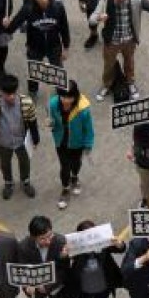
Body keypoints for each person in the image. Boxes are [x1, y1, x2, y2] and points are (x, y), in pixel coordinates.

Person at [91, 0, 149, 101]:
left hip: (129, 40)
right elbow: (92, 19)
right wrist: (99, 18)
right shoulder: (105, 1)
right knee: (109, 65)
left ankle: (130, 82)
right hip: (112, 41)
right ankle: (106, 85)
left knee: (129, 63)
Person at [0, 74, 40, 200]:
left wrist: (35, 139)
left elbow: (32, 121)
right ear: (1, 92)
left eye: (13, 93)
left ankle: (25, 182)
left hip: (22, 141)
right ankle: (8, 183)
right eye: (7, 94)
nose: (11, 96)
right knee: (5, 164)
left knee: (25, 162)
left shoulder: (26, 102)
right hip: (3, 143)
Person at [8, 0, 71, 100]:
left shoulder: (58, 7)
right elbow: (13, 26)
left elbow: (64, 28)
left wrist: (66, 47)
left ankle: (61, 91)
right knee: (34, 71)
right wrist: (7, 24)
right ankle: (32, 91)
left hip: (54, 46)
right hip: (34, 47)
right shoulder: (28, 9)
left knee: (58, 70)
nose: (44, 0)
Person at [67, 220, 125, 298]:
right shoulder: (75, 247)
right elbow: (64, 260)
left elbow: (121, 249)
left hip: (102, 285)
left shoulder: (103, 242)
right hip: (84, 287)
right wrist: (64, 255)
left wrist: (120, 244)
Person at [19, 216, 70, 298]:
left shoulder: (61, 241)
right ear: (33, 237)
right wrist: (28, 285)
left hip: (55, 284)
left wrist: (64, 257)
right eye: (42, 238)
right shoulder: (23, 247)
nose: (48, 241)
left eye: (49, 236)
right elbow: (22, 269)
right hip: (35, 287)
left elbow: (63, 269)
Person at [49, 82, 95, 210]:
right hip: (61, 141)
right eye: (63, 97)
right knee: (64, 166)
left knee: (76, 163)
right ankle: (65, 189)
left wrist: (88, 144)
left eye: (69, 97)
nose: (65, 100)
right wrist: (51, 124)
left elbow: (88, 128)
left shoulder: (83, 109)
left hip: (77, 142)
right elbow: (53, 121)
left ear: (75, 96)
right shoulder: (53, 104)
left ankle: (74, 178)